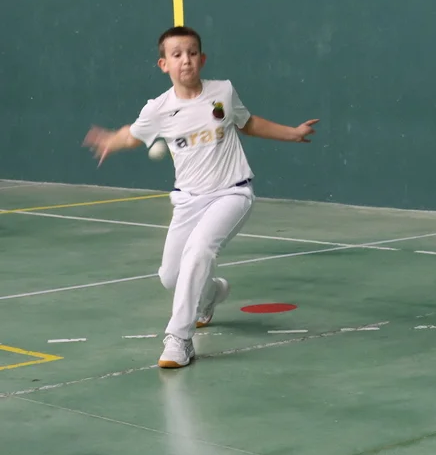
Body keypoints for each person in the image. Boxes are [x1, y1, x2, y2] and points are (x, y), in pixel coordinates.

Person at [83, 25, 318, 368]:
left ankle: (179, 339)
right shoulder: (158, 108)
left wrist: (292, 134)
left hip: (232, 192)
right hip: (188, 201)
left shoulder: (223, 91)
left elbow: (248, 123)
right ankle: (212, 294)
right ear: (164, 64)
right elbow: (132, 135)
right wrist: (110, 141)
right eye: (177, 55)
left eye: (192, 53)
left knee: (199, 251)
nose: (186, 60)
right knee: (170, 277)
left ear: (202, 59)